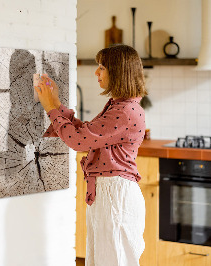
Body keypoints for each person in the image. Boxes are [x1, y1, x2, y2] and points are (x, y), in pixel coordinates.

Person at [35, 44, 147, 266]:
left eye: (102, 67)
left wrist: (50, 108)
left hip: (115, 195)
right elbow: (86, 133)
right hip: (110, 193)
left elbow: (78, 141)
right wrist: (56, 104)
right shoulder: (120, 106)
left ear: (118, 72)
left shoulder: (124, 111)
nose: (96, 72)